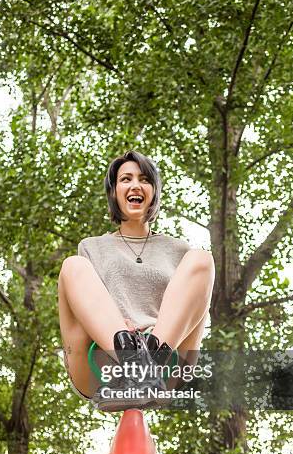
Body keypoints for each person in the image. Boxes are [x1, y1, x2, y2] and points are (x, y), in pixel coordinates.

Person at [58, 149, 214, 411]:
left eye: (144, 179)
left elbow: (193, 314)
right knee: (72, 266)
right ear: (114, 192)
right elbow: (89, 305)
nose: (135, 185)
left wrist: (153, 334)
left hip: (166, 361)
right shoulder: (92, 247)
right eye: (125, 179)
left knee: (202, 259)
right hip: (103, 362)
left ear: (153, 191)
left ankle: (146, 368)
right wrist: (121, 327)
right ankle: (133, 364)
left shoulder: (179, 251)